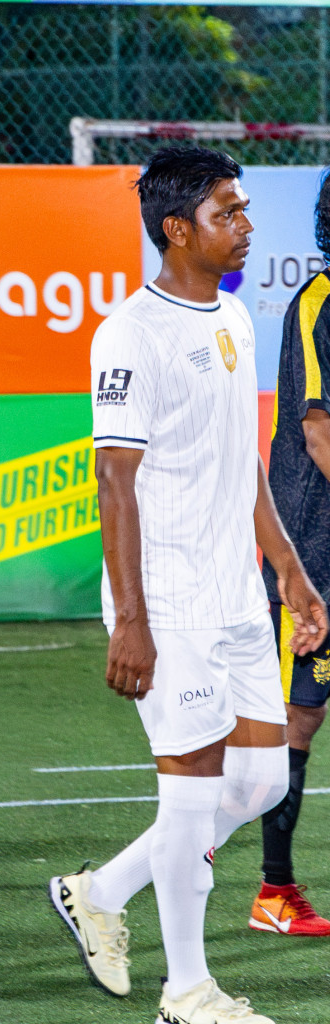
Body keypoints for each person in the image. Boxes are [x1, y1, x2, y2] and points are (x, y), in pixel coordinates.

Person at [49, 146, 327, 1024]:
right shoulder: (131, 333)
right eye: (227, 212)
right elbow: (114, 481)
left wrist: (288, 569)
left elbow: (240, 460)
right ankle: (187, 991)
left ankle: (101, 890)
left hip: (237, 592)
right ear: (178, 229)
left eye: (245, 210)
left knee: (262, 785)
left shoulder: (235, 319)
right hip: (166, 602)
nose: (246, 225)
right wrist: (131, 619)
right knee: (196, 789)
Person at [252, 171, 330, 936]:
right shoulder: (317, 302)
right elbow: (315, 432)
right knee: (295, 722)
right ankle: (273, 891)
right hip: (314, 547)